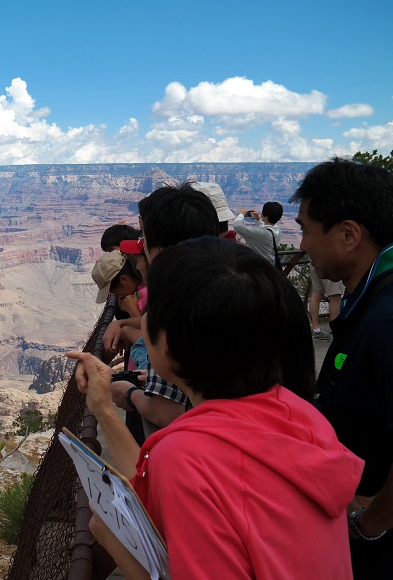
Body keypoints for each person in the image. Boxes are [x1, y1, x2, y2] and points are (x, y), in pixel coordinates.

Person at [68, 237, 363, 579]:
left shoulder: (185, 457)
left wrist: (112, 539)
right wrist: (104, 408)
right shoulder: (301, 413)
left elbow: (190, 472)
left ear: (168, 343)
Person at [291, 157, 393, 577]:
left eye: (306, 230)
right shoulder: (368, 299)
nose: (301, 245)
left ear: (349, 234)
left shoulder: (386, 321)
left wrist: (371, 525)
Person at [107, 185, 219, 431]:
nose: (138, 261)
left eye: (144, 239)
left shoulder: (173, 310)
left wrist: (129, 395)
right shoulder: (245, 291)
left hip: (192, 448)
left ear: (157, 251)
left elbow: (167, 412)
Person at [233, 201, 283, 266]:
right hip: (270, 266)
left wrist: (241, 214)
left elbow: (237, 226)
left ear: (266, 217)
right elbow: (265, 230)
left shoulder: (264, 234)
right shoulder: (277, 230)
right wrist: (259, 219)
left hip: (258, 267)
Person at [309, 271, 345, 340]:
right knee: (335, 295)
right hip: (331, 262)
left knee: (316, 293)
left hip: (314, 261)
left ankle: (315, 329)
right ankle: (335, 331)